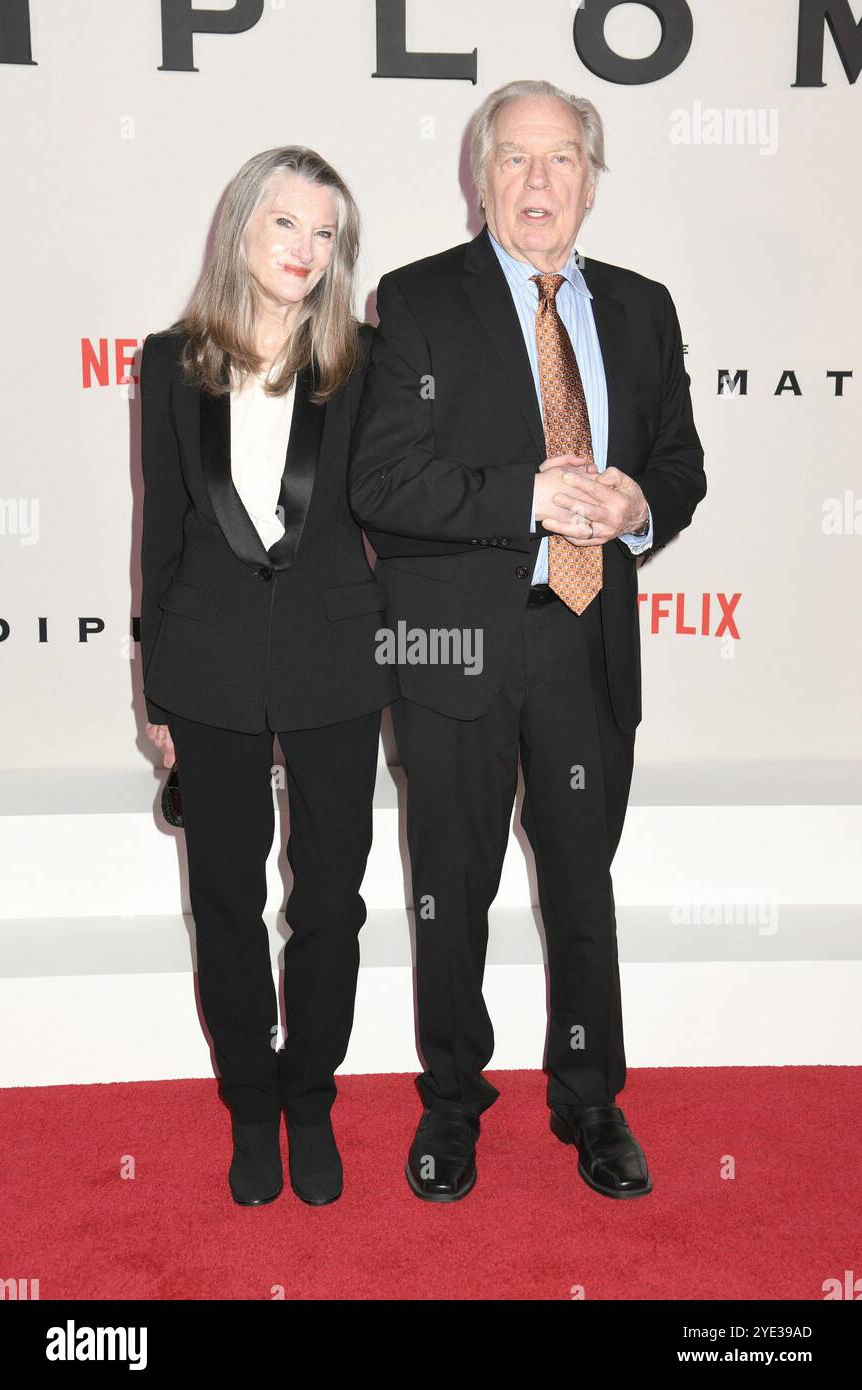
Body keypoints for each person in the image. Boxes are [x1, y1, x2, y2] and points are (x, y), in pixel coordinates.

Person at [349, 80, 706, 1202]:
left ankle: (590, 1098)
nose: (538, 182)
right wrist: (530, 498)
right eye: (514, 159)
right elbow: (380, 478)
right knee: (448, 887)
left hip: (583, 639)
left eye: (561, 160)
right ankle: (451, 1105)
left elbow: (682, 465)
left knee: (581, 885)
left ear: (591, 180)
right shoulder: (413, 302)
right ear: (479, 177)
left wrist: (633, 503)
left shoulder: (643, 308)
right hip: (449, 642)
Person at [140, 146, 396, 1207]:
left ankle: (308, 1094)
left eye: (325, 232)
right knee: (227, 901)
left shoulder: (365, 361)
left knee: (331, 901)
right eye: (285, 224)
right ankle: (250, 1100)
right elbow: (162, 526)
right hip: (205, 666)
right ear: (241, 229)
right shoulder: (169, 360)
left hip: (337, 660)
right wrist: (154, 691)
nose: (304, 249)